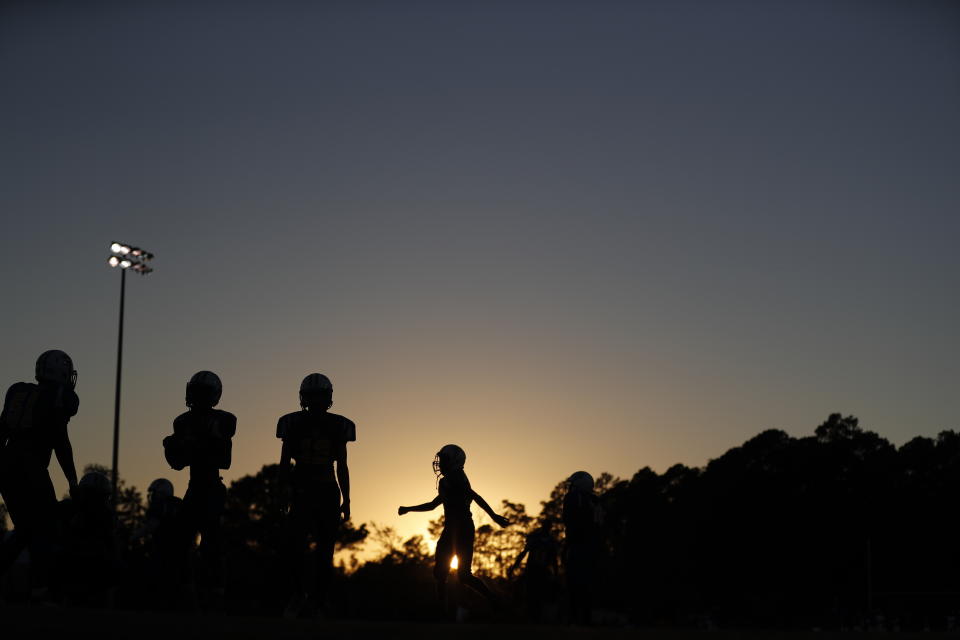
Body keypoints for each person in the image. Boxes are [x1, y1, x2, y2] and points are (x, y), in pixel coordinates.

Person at [0, 350, 80, 599]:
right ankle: (40, 590)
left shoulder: (18, 391)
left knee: (25, 529)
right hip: (31, 467)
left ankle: (36, 589)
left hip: (6, 465)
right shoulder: (58, 396)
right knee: (46, 528)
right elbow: (60, 440)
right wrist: (72, 478)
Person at [398, 444, 510, 618]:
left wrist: (494, 516)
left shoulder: (458, 477)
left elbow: (475, 496)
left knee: (462, 575)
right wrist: (409, 508)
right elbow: (433, 505)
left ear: (455, 461)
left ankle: (493, 600)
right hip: (450, 528)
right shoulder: (446, 481)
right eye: (441, 459)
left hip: (463, 527)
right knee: (440, 573)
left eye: (444, 459)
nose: (441, 463)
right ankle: (442, 612)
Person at [276, 373, 355, 618]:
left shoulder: (292, 422)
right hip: (313, 489)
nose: (316, 401)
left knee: (317, 550)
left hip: (314, 489)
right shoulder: (337, 424)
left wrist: (346, 498)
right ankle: (305, 597)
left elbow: (284, 464)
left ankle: (315, 600)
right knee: (303, 549)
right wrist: (346, 499)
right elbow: (340, 465)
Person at [163, 370, 236, 608]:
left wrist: (193, 444)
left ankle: (215, 594)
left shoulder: (223, 420)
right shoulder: (183, 422)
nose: (199, 397)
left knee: (211, 546)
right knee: (181, 543)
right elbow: (177, 463)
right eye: (197, 392)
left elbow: (224, 460)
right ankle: (189, 594)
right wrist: (173, 447)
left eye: (204, 392)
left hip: (211, 487)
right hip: (195, 487)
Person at [562, 470, 600, 625]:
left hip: (578, 544)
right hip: (594, 545)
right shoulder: (596, 500)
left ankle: (574, 617)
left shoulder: (573, 497)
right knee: (588, 583)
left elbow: (568, 519)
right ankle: (586, 617)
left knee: (574, 582)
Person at [509, 523, 560, 622]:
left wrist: (556, 573)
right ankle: (529, 615)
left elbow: (554, 559)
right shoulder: (537, 539)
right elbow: (524, 552)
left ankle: (535, 616)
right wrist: (514, 566)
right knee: (530, 592)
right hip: (533, 569)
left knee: (537, 593)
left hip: (541, 570)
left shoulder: (548, 541)